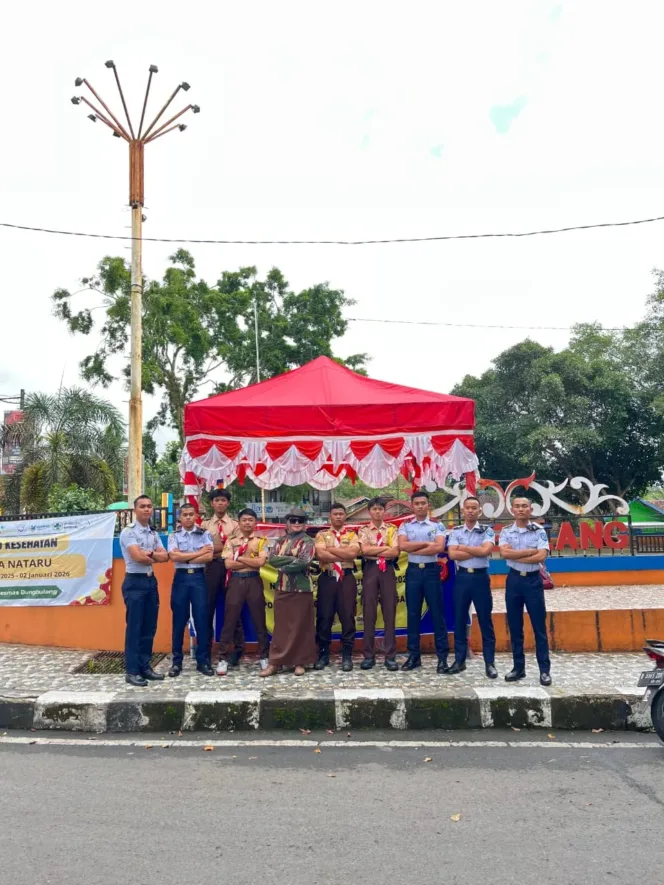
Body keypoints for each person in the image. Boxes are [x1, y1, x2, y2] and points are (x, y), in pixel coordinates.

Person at [499, 496, 552, 686]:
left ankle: (544, 670)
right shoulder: (506, 531)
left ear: (530, 509)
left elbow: (541, 556)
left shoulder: (538, 531)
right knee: (515, 627)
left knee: (539, 627)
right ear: (512, 510)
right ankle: (518, 668)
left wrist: (516, 555)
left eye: (524, 506)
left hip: (533, 582)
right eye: (517, 506)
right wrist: (529, 552)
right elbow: (504, 554)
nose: (521, 509)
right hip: (513, 581)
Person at [119, 495, 169, 687]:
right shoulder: (128, 532)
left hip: (150, 582)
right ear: (135, 510)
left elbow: (165, 557)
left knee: (149, 627)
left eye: (149, 506)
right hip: (134, 583)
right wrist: (152, 555)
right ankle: (132, 671)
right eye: (142, 506)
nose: (147, 509)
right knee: (135, 628)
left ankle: (145, 667)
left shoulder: (153, 533)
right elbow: (138, 557)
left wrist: (150, 555)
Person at [259, 508, 316, 677]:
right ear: (288, 523)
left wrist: (285, 564)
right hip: (282, 587)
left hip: (302, 588)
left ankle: (300, 662)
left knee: (302, 626)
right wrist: (292, 559)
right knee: (281, 627)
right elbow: (272, 559)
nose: (297, 523)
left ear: (305, 524)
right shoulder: (280, 541)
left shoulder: (309, 541)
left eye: (300, 520)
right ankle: (275, 663)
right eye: (293, 520)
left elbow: (305, 561)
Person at [398, 490, 449, 673]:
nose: (420, 506)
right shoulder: (405, 526)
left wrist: (416, 548)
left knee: (437, 614)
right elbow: (403, 546)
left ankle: (442, 658)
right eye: (417, 503)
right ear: (412, 506)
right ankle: (414, 657)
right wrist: (427, 545)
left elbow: (440, 547)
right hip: (412, 572)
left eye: (423, 503)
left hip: (431, 572)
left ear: (428, 505)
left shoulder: (438, 525)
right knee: (412, 615)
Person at [446, 496, 497, 678]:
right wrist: (473, 551)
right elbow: (452, 555)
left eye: (474, 508)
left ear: (479, 511)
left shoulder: (487, 531)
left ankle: (489, 663)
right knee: (459, 619)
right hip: (462, 578)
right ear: (462, 510)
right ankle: (459, 661)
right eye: (467, 508)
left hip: (480, 578)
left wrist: (463, 548)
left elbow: (485, 552)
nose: (470, 511)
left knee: (485, 620)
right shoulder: (456, 531)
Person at [217, 509, 270, 676]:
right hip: (236, 581)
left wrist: (239, 558)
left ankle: (264, 656)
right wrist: (250, 562)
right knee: (230, 619)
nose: (247, 523)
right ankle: (223, 658)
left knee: (259, 619)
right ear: (238, 523)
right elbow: (228, 565)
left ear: (255, 522)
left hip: (254, 580)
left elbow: (260, 562)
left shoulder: (262, 541)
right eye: (244, 520)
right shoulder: (231, 541)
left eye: (251, 520)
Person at [166, 504, 215, 677]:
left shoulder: (204, 534)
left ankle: (203, 661)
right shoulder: (174, 535)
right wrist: (197, 553)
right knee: (179, 621)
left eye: (191, 514)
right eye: (184, 515)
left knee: (202, 620)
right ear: (179, 518)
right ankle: (176, 662)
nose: (188, 517)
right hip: (180, 579)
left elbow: (209, 556)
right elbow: (173, 556)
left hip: (199, 579)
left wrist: (185, 556)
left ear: (196, 516)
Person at [313, 503, 360, 672]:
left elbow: (352, 554)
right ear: (330, 517)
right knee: (324, 616)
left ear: (345, 516)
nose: (338, 516)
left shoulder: (353, 535)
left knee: (348, 616)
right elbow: (320, 554)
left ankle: (347, 655)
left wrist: (331, 550)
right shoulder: (321, 535)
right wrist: (342, 551)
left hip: (346, 578)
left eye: (341, 513)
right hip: (327, 578)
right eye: (335, 514)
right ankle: (323, 654)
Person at [201, 489, 243, 666]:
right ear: (212, 504)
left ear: (228, 503)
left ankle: (238, 649)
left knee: (232, 608)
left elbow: (238, 548)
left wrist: (216, 548)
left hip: (230, 568)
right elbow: (203, 549)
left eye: (223, 500)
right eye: (216, 500)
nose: (220, 503)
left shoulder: (235, 525)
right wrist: (224, 547)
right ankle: (205, 649)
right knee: (207, 608)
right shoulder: (204, 526)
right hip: (211, 568)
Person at [357, 497, 400, 671]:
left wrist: (377, 550)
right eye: (374, 509)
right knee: (369, 612)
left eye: (380, 509)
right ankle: (369, 655)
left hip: (387, 571)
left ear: (384, 511)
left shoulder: (391, 529)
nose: (377, 512)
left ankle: (390, 656)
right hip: (371, 571)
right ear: (369, 511)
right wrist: (384, 550)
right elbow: (364, 551)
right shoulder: (364, 530)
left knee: (390, 611)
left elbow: (395, 551)